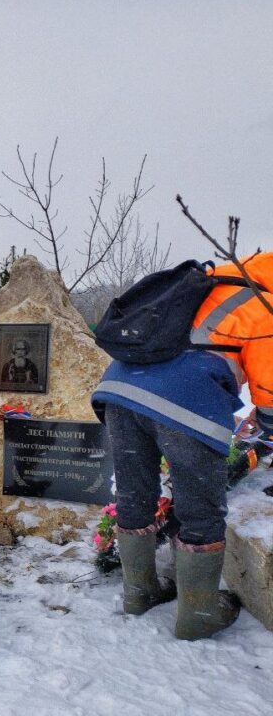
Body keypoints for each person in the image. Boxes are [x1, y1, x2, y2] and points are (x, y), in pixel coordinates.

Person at [92, 252, 273, 640]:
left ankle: (139, 593)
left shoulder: (208, 282)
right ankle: (198, 613)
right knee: (200, 507)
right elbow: (271, 390)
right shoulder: (264, 302)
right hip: (186, 400)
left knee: (134, 494)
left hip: (119, 391)